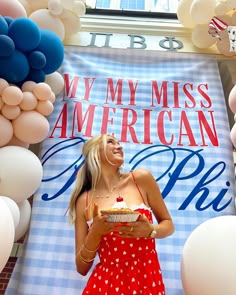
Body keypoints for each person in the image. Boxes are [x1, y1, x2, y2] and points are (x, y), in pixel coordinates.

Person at [68, 134, 175, 295]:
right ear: (94, 152)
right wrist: (95, 232)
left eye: (119, 143)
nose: (119, 146)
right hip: (104, 285)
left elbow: (168, 224)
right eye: (111, 142)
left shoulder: (141, 179)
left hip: (146, 279)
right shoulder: (84, 200)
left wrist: (150, 230)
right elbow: (81, 268)